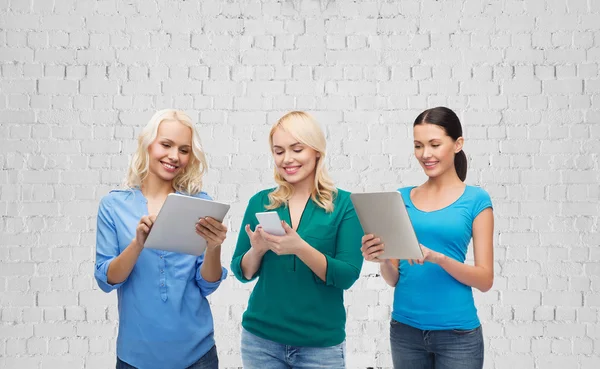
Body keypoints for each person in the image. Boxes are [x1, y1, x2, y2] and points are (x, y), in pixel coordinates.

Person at [94, 109, 228, 369]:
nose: (174, 156)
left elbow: (208, 285)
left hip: (198, 355)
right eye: (166, 145)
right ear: (148, 145)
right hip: (136, 356)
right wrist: (138, 244)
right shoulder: (113, 205)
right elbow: (107, 280)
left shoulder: (201, 205)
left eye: (184, 149)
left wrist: (213, 248)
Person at [361, 107, 494, 369]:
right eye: (418, 146)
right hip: (404, 331)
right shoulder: (401, 198)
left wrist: (440, 258)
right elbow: (394, 278)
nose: (425, 154)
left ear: (458, 144)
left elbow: (485, 279)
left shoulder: (477, 200)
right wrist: (382, 259)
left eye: (434, 144)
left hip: (458, 336)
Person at [230, 111, 364, 369]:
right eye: (279, 151)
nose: (287, 159)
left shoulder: (345, 205)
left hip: (320, 346)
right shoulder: (261, 201)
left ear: (316, 151)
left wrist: (300, 248)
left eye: (297, 149)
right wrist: (256, 251)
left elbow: (347, 275)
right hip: (260, 342)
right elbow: (242, 272)